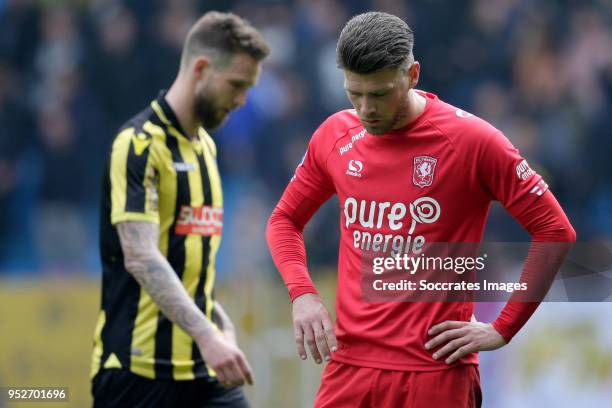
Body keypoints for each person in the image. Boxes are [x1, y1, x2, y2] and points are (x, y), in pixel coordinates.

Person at [266, 11, 575, 408]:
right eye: (354, 94)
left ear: (412, 75)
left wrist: (504, 328)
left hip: (437, 372)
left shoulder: (472, 141)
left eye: (379, 94)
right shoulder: (335, 135)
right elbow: (284, 220)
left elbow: (555, 231)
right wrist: (302, 293)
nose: (365, 109)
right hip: (350, 368)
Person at [91, 11, 269, 408]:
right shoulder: (137, 145)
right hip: (137, 375)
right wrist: (208, 335)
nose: (242, 101)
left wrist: (219, 325)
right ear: (201, 68)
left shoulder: (206, 147)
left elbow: (188, 266)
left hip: (205, 371)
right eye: (237, 85)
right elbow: (140, 256)